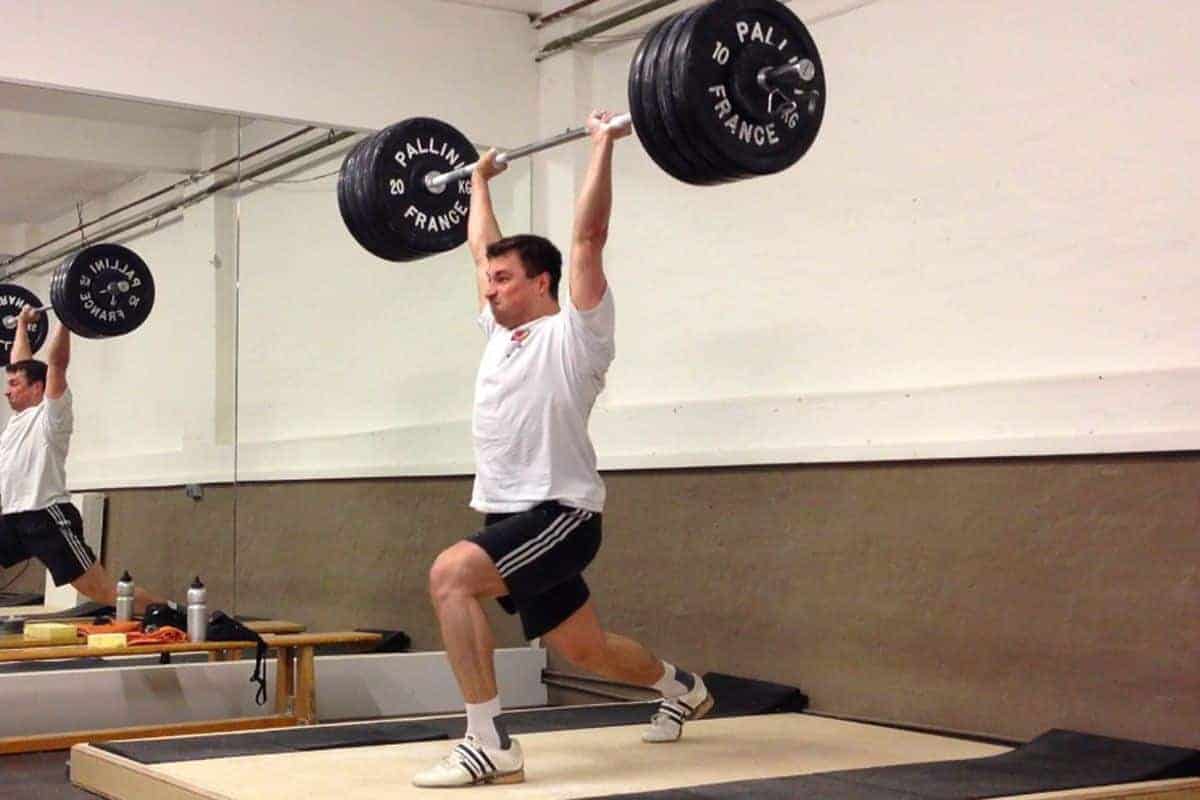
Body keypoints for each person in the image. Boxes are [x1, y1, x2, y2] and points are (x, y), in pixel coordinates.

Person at [413, 111, 712, 789]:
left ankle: (488, 742)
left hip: (561, 514)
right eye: (488, 282)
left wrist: (602, 145)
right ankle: (681, 687)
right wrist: (478, 182)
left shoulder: (577, 335)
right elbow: (480, 245)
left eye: (504, 280)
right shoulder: (498, 333)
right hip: (509, 513)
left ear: (541, 282)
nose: (489, 289)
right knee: (585, 648)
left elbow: (588, 238)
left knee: (450, 577)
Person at [1, 306, 169, 613]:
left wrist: (66, 317)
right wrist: (22, 324)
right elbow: (20, 363)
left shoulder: (52, 416)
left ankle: (175, 612)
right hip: (14, 517)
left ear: (37, 388)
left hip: (47, 517)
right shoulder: (19, 419)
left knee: (102, 592)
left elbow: (56, 364)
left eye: (14, 386)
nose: (6, 392)